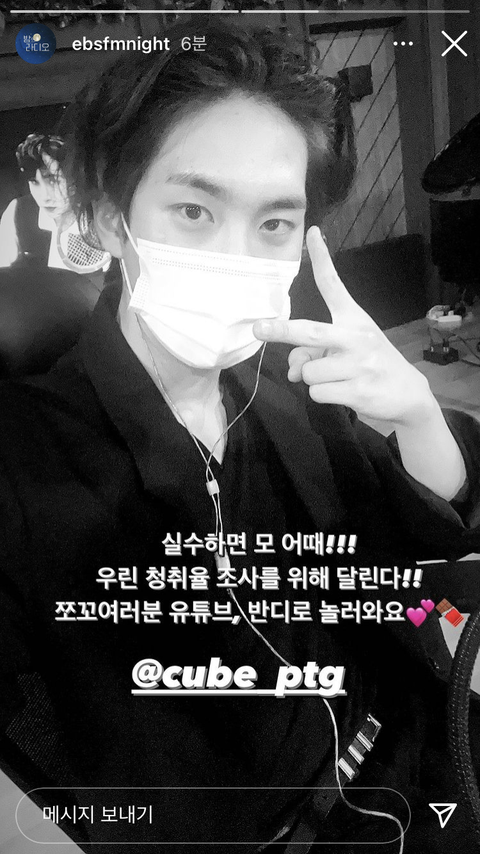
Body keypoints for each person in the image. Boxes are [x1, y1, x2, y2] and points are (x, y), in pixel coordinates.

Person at [1, 22, 480, 854]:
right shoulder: (22, 458)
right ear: (112, 219)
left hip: (410, 756)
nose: (236, 254)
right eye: (194, 210)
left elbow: (424, 534)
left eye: (273, 225)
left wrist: (418, 414)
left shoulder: (295, 386)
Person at [0, 133, 70, 268]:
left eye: (53, 179)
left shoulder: (98, 213)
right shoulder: (17, 212)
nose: (45, 195)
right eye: (34, 182)